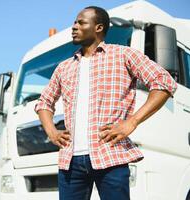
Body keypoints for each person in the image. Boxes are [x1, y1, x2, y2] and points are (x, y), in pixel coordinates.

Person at [34, 5, 177, 200]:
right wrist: (51, 131)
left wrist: (132, 122)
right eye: (74, 23)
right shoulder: (63, 67)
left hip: (111, 156)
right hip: (70, 162)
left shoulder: (123, 55)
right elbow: (44, 102)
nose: (74, 27)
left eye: (81, 22)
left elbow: (164, 82)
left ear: (98, 27)